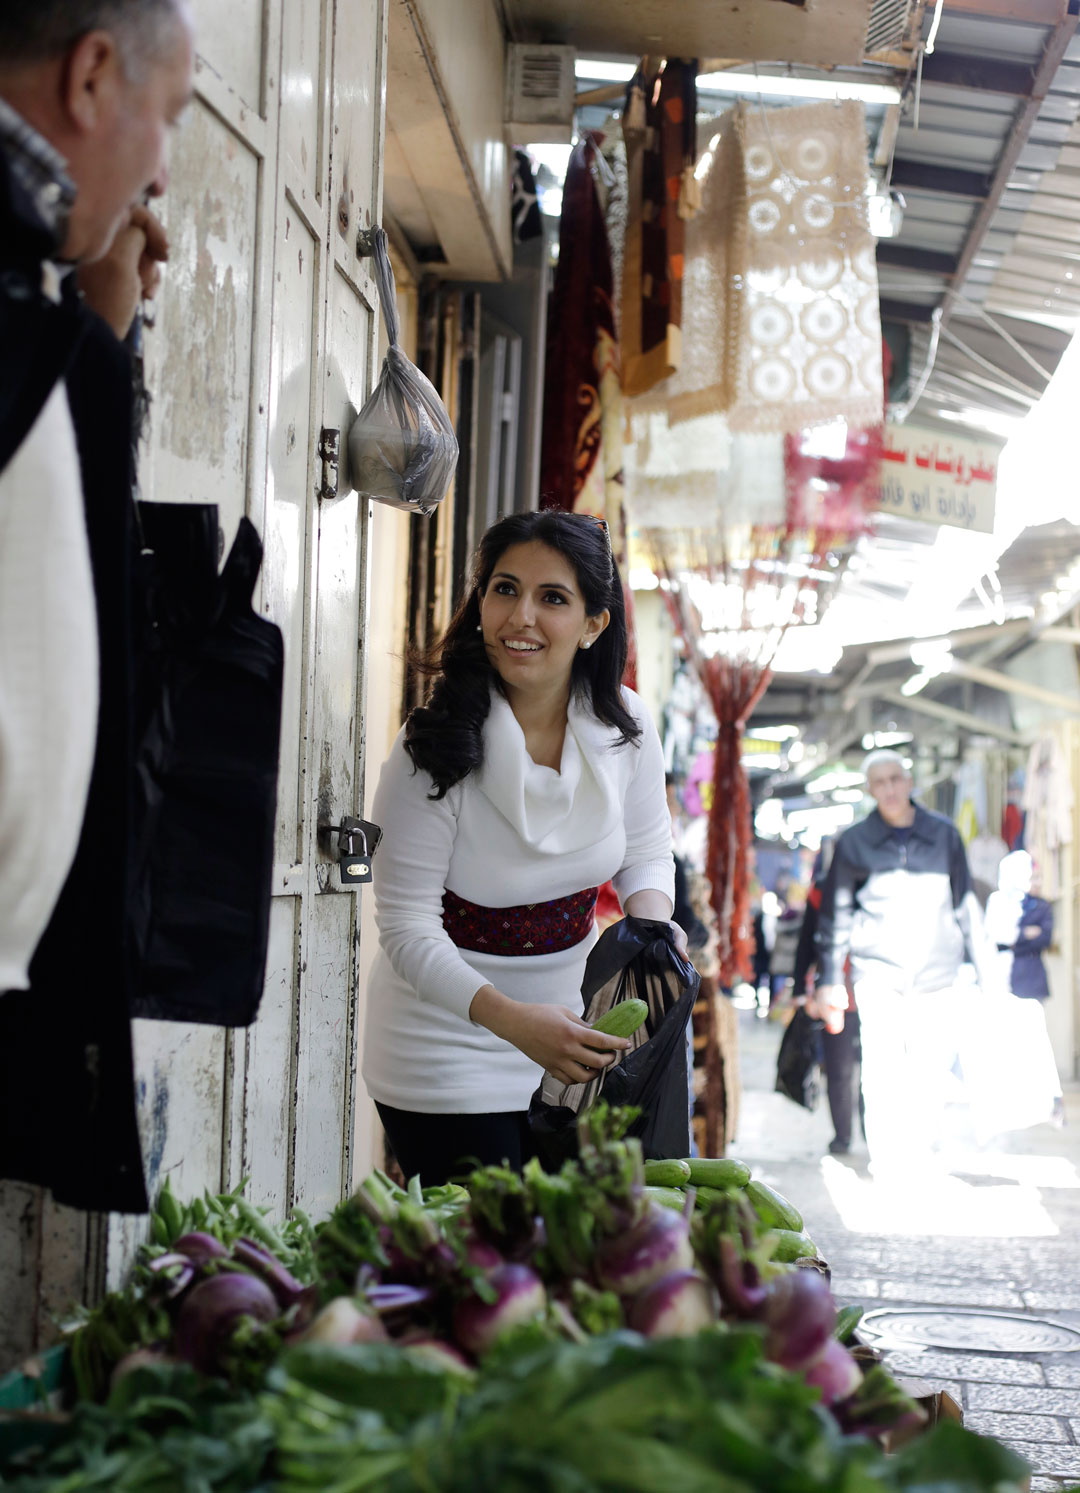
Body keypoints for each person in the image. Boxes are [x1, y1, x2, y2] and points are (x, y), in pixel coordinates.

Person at [0, 0, 194, 1211]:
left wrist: (95, 332)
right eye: (166, 115)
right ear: (91, 75)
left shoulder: (26, 284)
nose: (160, 164)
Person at [362, 510, 682, 1184]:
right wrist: (514, 1023)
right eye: (504, 589)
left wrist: (652, 926)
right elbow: (406, 926)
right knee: (493, 1258)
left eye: (553, 598)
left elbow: (648, 849)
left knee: (566, 1257)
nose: (521, 616)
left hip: (569, 1043)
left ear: (595, 622)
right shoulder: (434, 745)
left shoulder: (628, 728)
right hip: (443, 1045)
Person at [813, 749, 991, 1180]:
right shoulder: (854, 841)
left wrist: (987, 973)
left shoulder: (945, 835)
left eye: (896, 779)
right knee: (881, 1070)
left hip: (938, 973)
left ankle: (922, 1150)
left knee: (931, 1071)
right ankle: (888, 1156)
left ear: (909, 782)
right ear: (870, 789)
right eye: (879, 782)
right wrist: (831, 979)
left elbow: (966, 904)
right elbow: (835, 915)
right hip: (878, 973)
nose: (889, 789)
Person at [792, 842, 862, 1156]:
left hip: (876, 988)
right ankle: (843, 1135)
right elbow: (806, 941)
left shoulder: (880, 884)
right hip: (833, 991)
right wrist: (798, 990)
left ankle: (871, 1132)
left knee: (871, 1067)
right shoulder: (820, 890)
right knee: (838, 1067)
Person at [984, 850, 1064, 1126]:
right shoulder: (997, 901)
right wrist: (1021, 934)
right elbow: (993, 935)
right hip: (1000, 977)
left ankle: (1049, 1100)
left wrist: (1013, 937)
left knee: (1035, 1038)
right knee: (1005, 1038)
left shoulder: (1039, 906)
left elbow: (1042, 938)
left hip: (1029, 978)